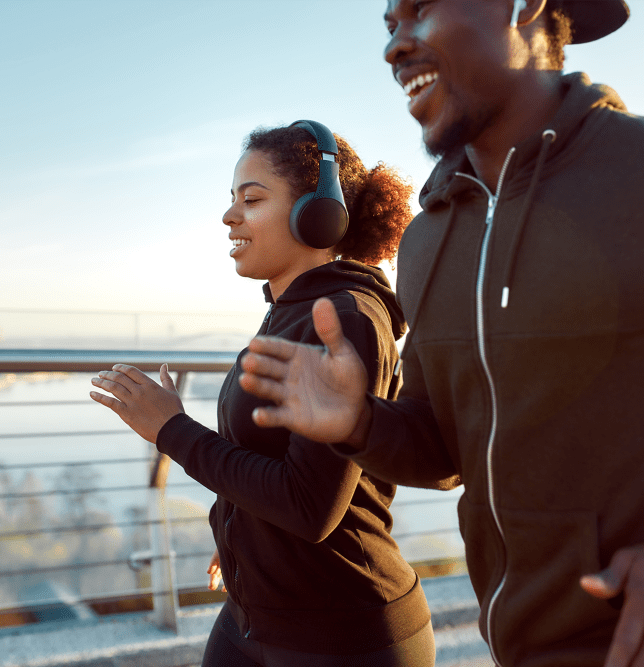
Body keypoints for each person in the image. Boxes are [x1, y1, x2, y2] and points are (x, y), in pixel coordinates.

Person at [235, 2, 644, 667]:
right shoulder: (430, 236)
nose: (395, 45)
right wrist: (360, 422)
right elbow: (444, 447)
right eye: (389, 23)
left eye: (420, 9)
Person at [89, 121, 437, 667]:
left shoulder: (341, 317)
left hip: (344, 635)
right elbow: (274, 457)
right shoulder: (289, 311)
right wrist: (241, 536)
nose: (230, 216)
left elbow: (310, 507)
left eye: (251, 199)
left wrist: (170, 430)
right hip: (255, 616)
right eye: (232, 200)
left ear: (317, 213)